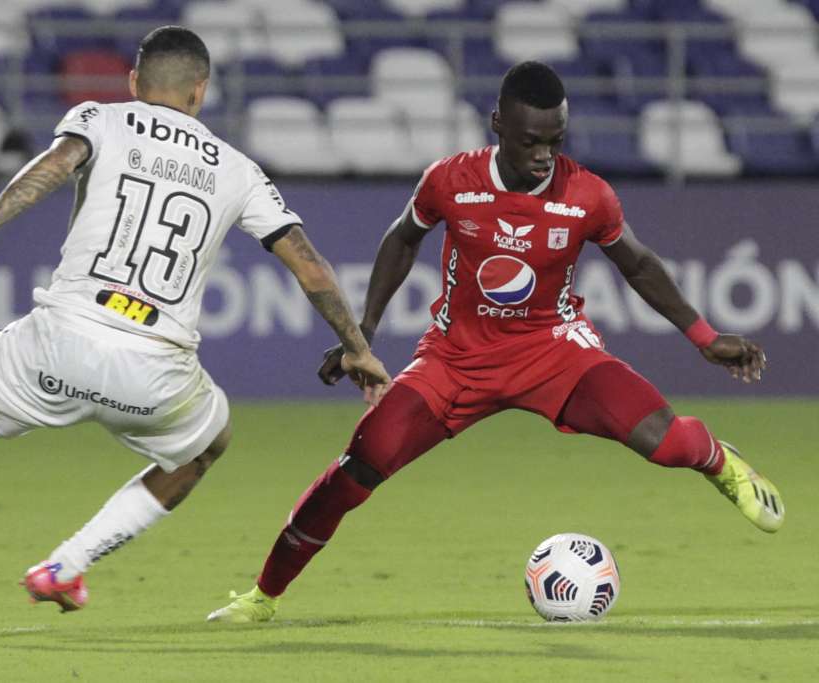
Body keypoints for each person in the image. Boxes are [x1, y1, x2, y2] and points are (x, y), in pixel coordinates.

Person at [207, 61, 783, 623]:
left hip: (554, 351)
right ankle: (263, 595)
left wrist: (703, 337)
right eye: (531, 141)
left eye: (555, 141)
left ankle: (718, 459)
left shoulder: (588, 194)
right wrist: (363, 336)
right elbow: (402, 240)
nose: (544, 156)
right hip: (456, 359)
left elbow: (638, 264)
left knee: (664, 443)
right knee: (362, 464)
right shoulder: (450, 180)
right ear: (497, 125)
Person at [0, 26, 390, 644]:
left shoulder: (103, 119)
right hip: (155, 368)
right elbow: (308, 264)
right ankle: (67, 564)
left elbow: (53, 166)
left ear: (134, 83)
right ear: (201, 91)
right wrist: (357, 346)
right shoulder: (239, 170)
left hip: (59, 342)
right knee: (205, 444)